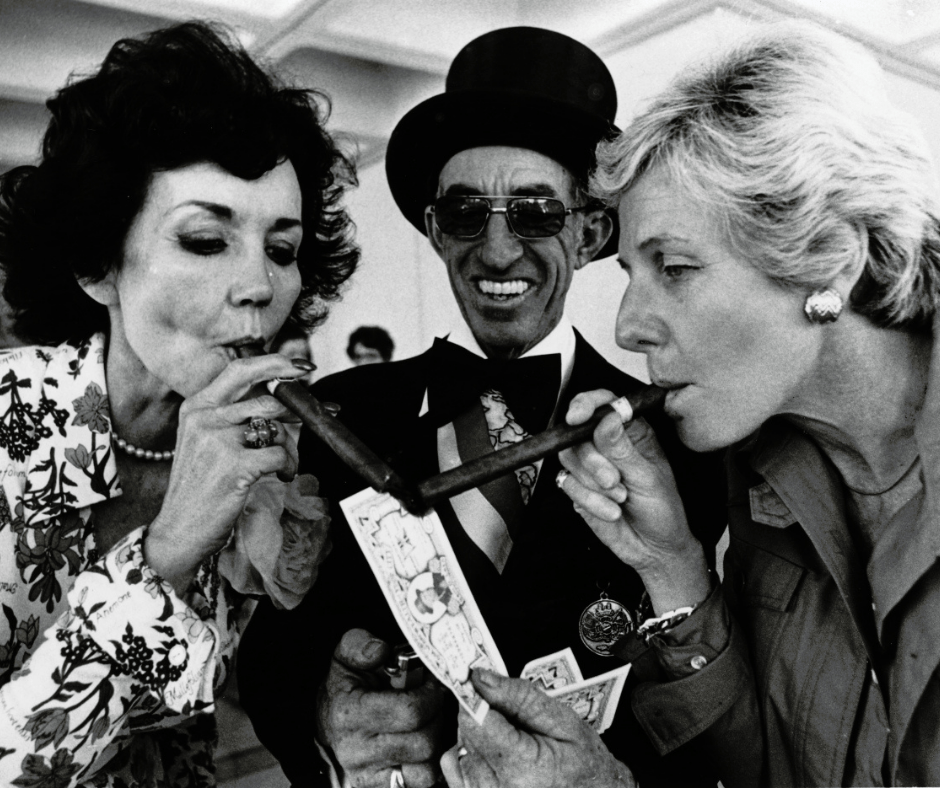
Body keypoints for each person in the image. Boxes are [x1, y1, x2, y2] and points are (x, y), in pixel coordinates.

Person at [239, 26, 726, 788]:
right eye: (466, 213)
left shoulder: (674, 442)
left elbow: (712, 716)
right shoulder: (340, 415)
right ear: (436, 231)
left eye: (535, 213)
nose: (497, 250)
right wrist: (320, 721)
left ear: (591, 231)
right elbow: (272, 653)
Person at [515, 21, 940, 788]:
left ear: (831, 261)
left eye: (675, 268)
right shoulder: (766, 471)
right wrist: (670, 562)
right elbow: (768, 770)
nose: (627, 327)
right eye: (631, 273)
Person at [0, 21, 355, 786]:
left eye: (283, 249)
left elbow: (232, 687)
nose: (259, 286)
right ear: (98, 263)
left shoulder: (260, 453)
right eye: (204, 239)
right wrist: (165, 554)